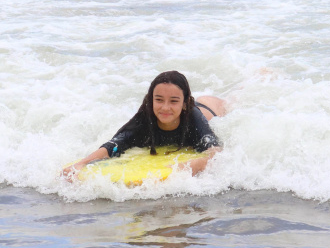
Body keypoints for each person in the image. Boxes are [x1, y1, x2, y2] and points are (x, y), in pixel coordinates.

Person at [62, 71, 227, 180]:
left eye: (174, 101)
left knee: (233, 100)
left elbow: (215, 152)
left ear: (184, 103)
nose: (165, 107)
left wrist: (186, 167)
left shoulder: (192, 116)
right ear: (151, 99)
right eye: (159, 100)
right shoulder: (145, 119)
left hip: (211, 107)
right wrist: (81, 164)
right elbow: (115, 144)